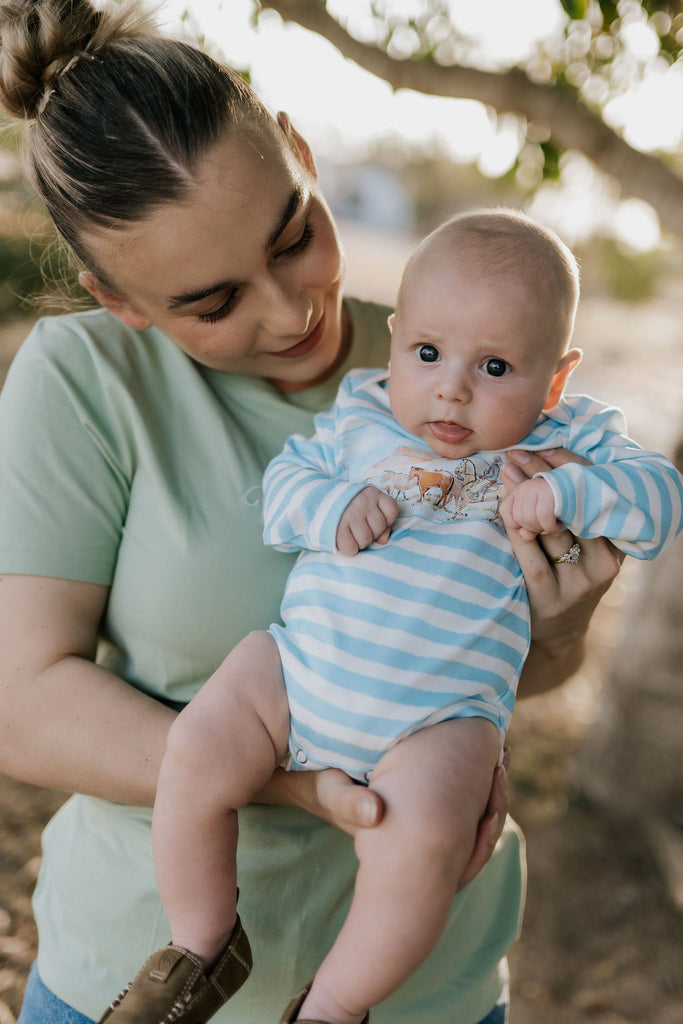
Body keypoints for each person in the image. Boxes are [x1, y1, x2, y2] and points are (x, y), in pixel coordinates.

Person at [0, 2, 626, 1023]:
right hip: (138, 965)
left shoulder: (460, 359)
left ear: (297, 149)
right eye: (213, 302)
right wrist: (291, 780)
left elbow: (514, 678)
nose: (292, 311)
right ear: (119, 300)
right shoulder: (87, 378)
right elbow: (19, 706)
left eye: (295, 235)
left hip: (423, 986)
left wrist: (560, 621)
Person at [100, 209, 683, 1024]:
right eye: (428, 353)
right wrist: (331, 506)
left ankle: (333, 1007)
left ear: (554, 380)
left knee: (429, 841)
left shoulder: (572, 439)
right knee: (197, 749)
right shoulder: (360, 418)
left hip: (438, 720)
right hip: (297, 677)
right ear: (397, 339)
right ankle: (198, 946)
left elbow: (662, 501)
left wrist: (570, 491)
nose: (451, 387)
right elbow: (284, 490)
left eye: (496, 366)